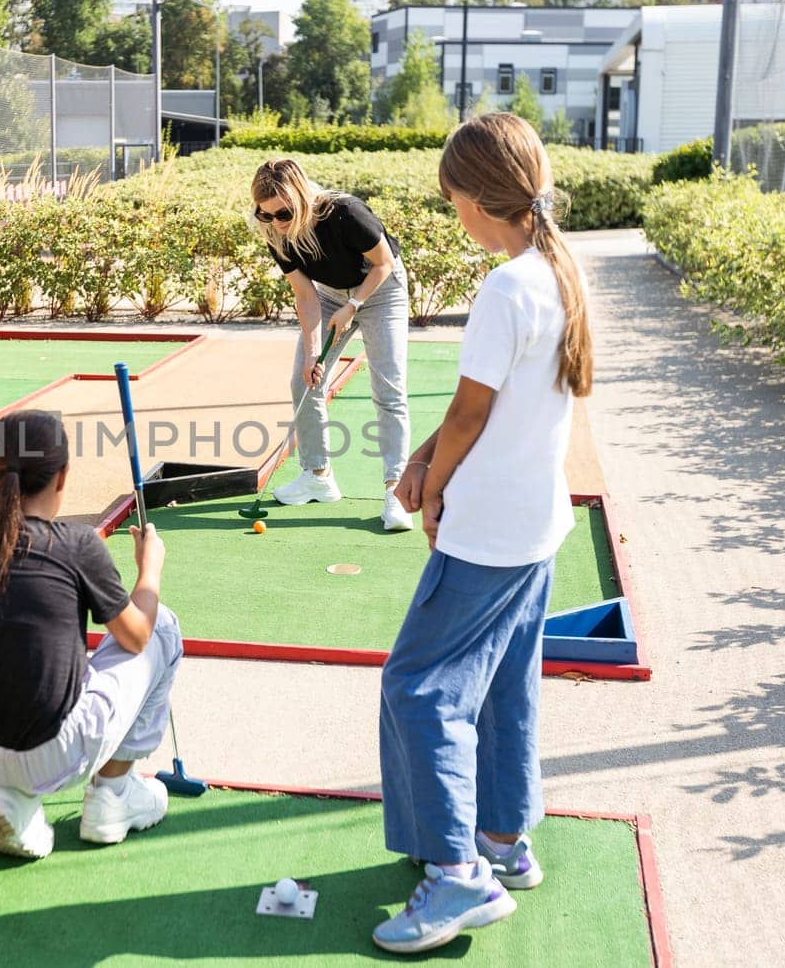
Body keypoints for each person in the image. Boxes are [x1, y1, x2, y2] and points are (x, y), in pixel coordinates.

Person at [372, 114, 594, 955]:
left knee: (418, 687)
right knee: (504, 682)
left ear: (474, 198)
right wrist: (426, 460)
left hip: (492, 531)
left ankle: (460, 876)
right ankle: (504, 837)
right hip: (536, 522)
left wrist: (434, 480)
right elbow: (484, 408)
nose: (452, 211)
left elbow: (471, 411)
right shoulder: (558, 272)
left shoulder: (506, 288)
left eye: (452, 198)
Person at [0, 410, 183, 860]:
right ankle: (113, 794)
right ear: (62, 475)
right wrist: (150, 568)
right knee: (163, 626)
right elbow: (137, 637)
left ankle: (12, 797)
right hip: (54, 751)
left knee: (21, 663)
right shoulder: (74, 544)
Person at [250, 158, 414, 531]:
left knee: (389, 389)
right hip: (327, 295)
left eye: (284, 213)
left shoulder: (345, 212)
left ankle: (396, 491)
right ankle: (318, 475)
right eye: (266, 215)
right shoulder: (276, 233)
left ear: (302, 198)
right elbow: (305, 295)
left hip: (381, 291)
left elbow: (384, 264)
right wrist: (312, 351)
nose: (276, 222)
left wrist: (354, 306)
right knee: (303, 380)